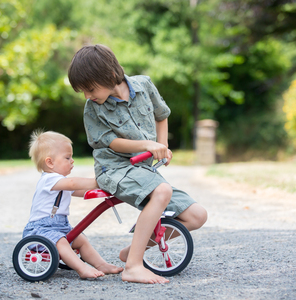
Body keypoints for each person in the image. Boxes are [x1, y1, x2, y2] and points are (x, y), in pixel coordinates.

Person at [67, 44, 208, 284]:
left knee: (196, 216)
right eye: (83, 91)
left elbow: (161, 115)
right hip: (114, 169)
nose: (87, 95)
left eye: (90, 88)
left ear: (110, 75)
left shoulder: (144, 85)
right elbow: (110, 143)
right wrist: (146, 145)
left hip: (143, 169)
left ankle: (134, 250)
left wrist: (162, 146)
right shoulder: (93, 108)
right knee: (162, 190)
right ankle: (133, 267)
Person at [22, 130, 123, 280]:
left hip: (61, 227)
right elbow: (73, 183)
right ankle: (82, 269)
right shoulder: (49, 179)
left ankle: (101, 264)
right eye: (67, 157)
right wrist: (99, 181)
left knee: (81, 240)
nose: (72, 161)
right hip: (41, 230)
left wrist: (105, 190)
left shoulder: (61, 182)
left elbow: (81, 191)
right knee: (61, 242)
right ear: (50, 162)